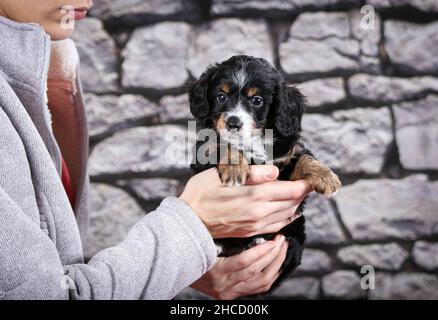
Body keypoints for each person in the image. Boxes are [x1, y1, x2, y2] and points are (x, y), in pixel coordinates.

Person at [0, 0, 312, 300]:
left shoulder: (48, 61)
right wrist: (190, 227)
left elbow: (56, 269)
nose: (91, 1)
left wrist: (183, 262)